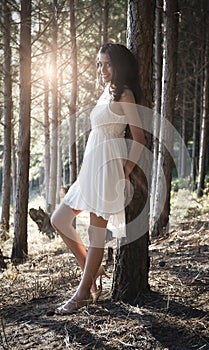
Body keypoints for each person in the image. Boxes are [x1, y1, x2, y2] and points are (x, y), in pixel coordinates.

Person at [51, 43, 145, 315]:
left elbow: (139, 139)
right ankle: (92, 270)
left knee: (95, 235)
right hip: (90, 167)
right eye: (98, 64)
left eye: (106, 63)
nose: (101, 69)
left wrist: (124, 172)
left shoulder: (125, 95)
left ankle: (83, 294)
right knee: (59, 219)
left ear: (118, 66)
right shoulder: (107, 92)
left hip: (108, 167)